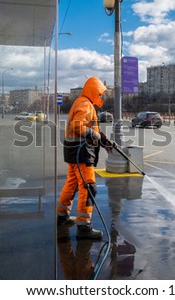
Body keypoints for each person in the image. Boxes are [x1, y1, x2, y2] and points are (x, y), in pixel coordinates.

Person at [57, 76, 110, 239]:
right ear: (93, 91)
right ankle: (84, 226)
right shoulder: (86, 104)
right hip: (81, 152)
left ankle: (62, 216)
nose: (101, 97)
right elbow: (77, 126)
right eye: (100, 94)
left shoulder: (81, 102)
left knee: (72, 184)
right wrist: (95, 134)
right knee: (89, 187)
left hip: (74, 151)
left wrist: (102, 139)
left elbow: (85, 127)